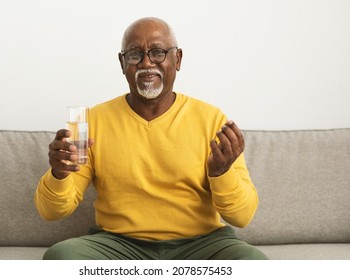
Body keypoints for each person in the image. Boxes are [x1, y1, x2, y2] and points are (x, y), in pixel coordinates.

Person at [34, 17, 268, 260]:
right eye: (135, 55)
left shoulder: (212, 119)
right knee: (60, 256)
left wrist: (221, 173)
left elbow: (243, 216)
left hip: (201, 244)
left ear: (177, 59)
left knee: (254, 263)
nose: (146, 63)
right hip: (119, 245)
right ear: (122, 62)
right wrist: (58, 174)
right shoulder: (86, 121)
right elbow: (52, 212)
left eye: (158, 52)